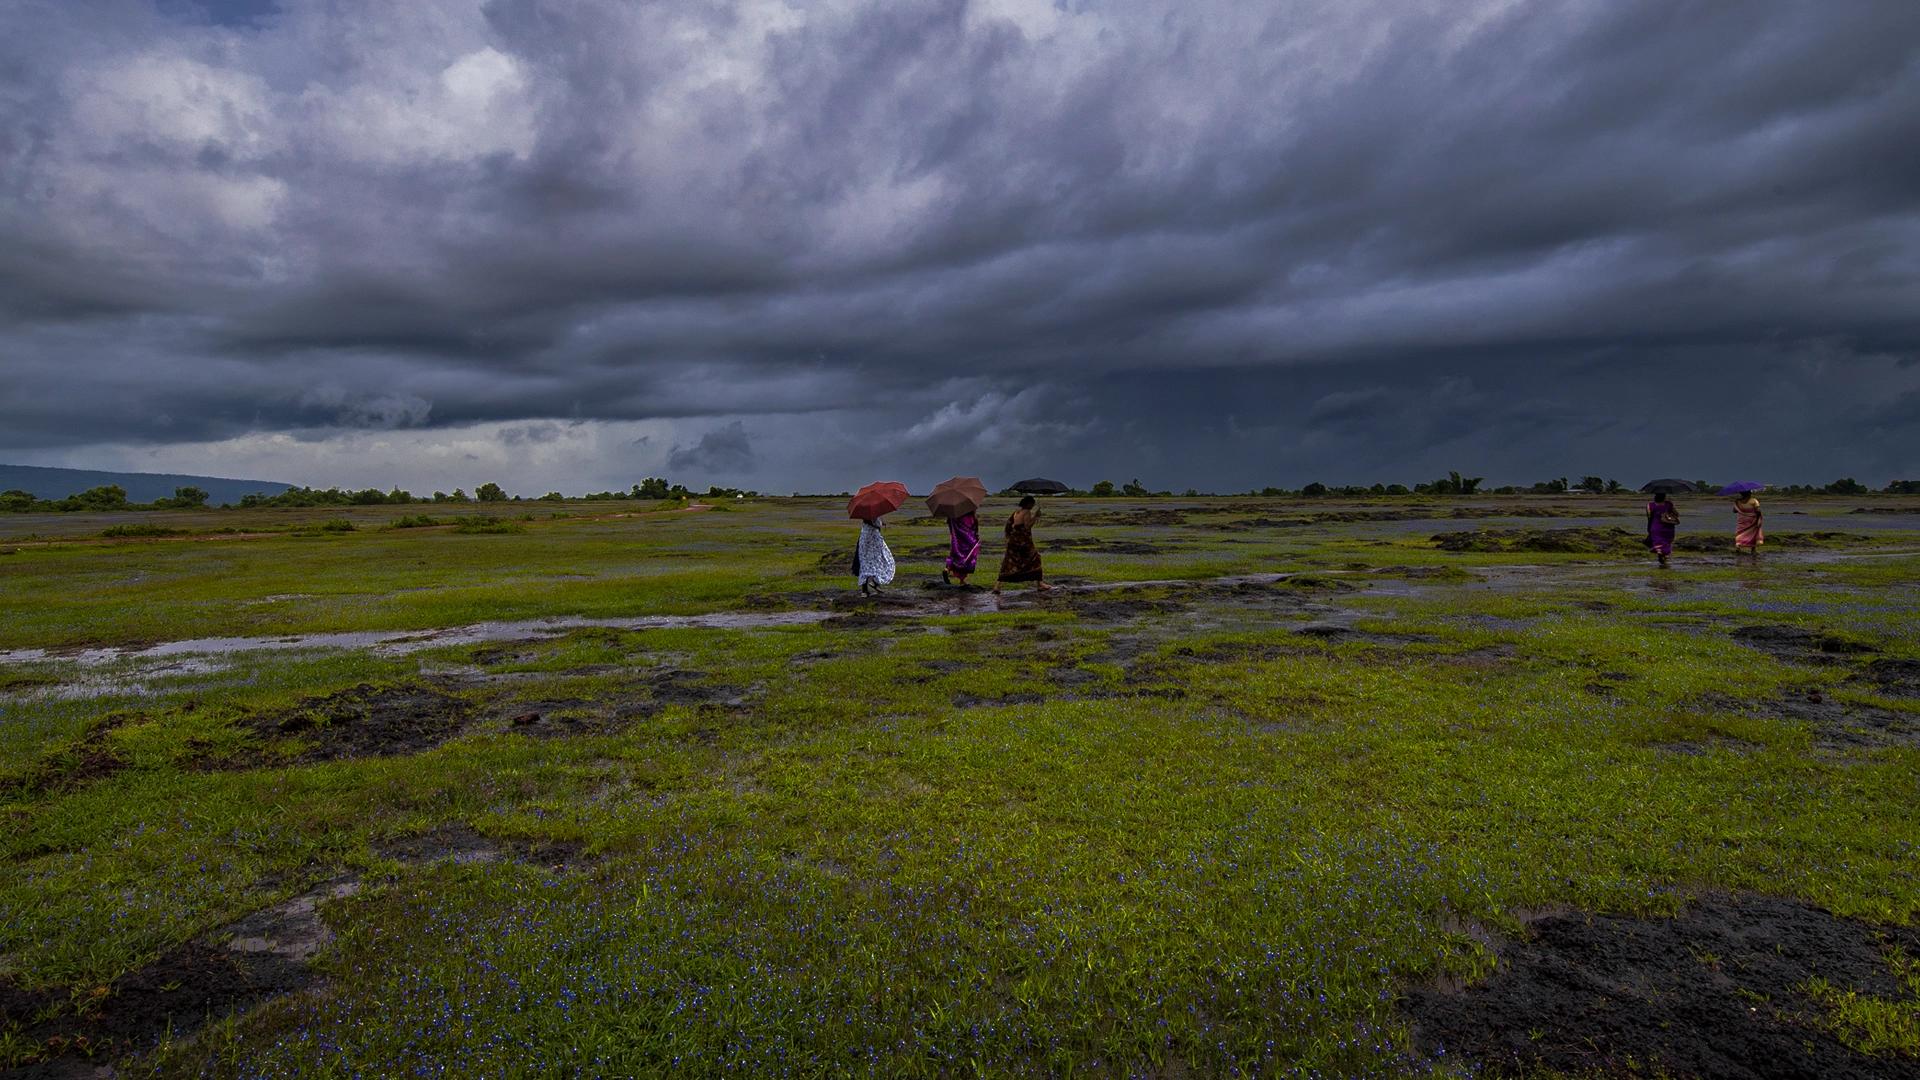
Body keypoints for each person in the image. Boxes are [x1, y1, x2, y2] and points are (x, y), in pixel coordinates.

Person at [993, 496, 1052, 594]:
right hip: (1023, 542)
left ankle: (997, 586)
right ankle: (1040, 584)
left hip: (1013, 540)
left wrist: (1008, 538)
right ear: (1028, 504)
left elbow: (1009, 525)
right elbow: (1027, 526)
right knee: (1035, 558)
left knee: (1009, 562)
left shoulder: (1016, 512)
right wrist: (1036, 516)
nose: (1033, 506)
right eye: (1032, 504)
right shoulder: (1027, 512)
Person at [854, 515, 895, 595]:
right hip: (873, 538)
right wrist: (881, 523)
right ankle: (874, 582)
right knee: (879, 560)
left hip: (864, 538)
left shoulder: (865, 516)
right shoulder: (873, 516)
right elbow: (876, 524)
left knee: (865, 564)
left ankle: (865, 591)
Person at [942, 510, 980, 586]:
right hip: (968, 541)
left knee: (954, 556)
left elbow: (950, 525)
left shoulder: (953, 516)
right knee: (967, 558)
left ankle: (947, 569)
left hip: (956, 541)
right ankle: (962, 580)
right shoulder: (970, 516)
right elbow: (974, 527)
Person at [1646, 491, 1679, 568]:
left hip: (1656, 527)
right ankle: (1664, 557)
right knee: (1666, 543)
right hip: (1668, 528)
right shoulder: (1669, 504)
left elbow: (1649, 517)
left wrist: (1649, 528)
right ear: (1664, 497)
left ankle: (1660, 553)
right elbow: (1677, 514)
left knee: (1658, 542)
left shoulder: (1650, 505)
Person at [1733, 491, 1764, 556]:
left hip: (1742, 520)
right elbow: (1758, 510)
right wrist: (1760, 516)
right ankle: (1753, 550)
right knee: (1753, 534)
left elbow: (1734, 511)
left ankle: (1738, 547)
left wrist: (1737, 504)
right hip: (1752, 520)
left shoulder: (1738, 502)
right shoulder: (1754, 500)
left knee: (1740, 532)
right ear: (1749, 494)